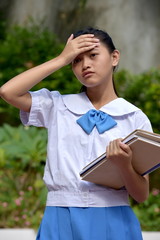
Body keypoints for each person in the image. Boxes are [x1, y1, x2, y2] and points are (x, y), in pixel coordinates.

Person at [0, 27, 152, 240]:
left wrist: (124, 165)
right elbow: (8, 92)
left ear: (114, 57)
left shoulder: (134, 118)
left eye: (93, 55)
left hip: (113, 220)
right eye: (76, 60)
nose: (85, 65)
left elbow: (142, 195)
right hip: (60, 217)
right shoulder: (57, 106)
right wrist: (61, 58)